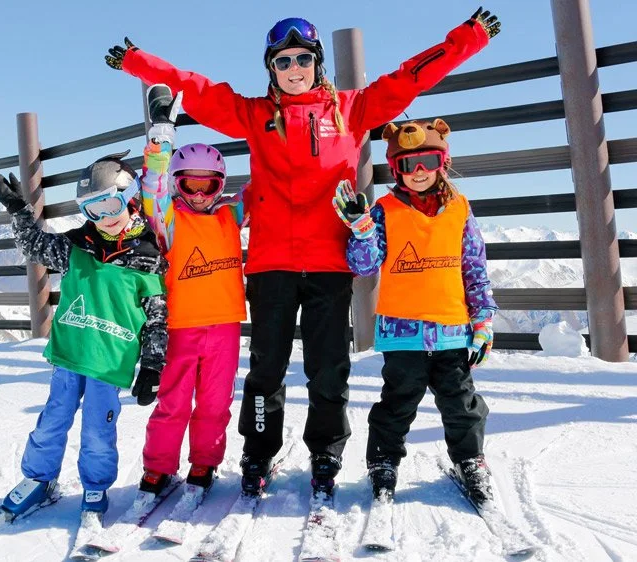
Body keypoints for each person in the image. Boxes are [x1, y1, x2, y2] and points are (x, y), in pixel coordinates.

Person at [105, 7, 501, 496]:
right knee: (266, 368)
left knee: (327, 368)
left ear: (318, 63)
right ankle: (258, 452)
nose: (295, 69)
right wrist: (140, 63)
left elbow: (409, 79)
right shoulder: (255, 115)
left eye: (303, 59)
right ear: (271, 68)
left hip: (331, 263)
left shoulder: (351, 110)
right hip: (272, 264)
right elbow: (199, 89)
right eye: (283, 61)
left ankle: (326, 452)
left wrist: (469, 38)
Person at [0, 152, 168, 525]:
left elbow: (156, 319)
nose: (103, 217)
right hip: (69, 355)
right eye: (92, 209)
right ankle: (39, 479)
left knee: (98, 429)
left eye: (109, 204)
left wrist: (152, 365)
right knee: (53, 418)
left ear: (130, 197)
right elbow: (35, 247)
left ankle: (96, 486)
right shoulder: (77, 246)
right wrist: (19, 210)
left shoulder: (148, 258)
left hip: (109, 363)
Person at [332, 118, 498, 504]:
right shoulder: (384, 211)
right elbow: (364, 265)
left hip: (453, 329)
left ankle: (470, 459)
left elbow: (473, 266)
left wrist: (483, 320)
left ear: (442, 161)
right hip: (402, 331)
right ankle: (383, 462)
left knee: (461, 402)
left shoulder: (459, 209)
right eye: (408, 164)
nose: (418, 172)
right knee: (398, 400)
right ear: (396, 169)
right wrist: (360, 229)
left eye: (427, 161)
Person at [136, 84, 248, 497]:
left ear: (220, 185)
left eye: (208, 186)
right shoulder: (167, 219)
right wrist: (160, 141)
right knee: (174, 403)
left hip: (224, 327)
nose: (199, 195)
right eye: (189, 186)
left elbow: (270, 185)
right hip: (181, 327)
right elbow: (152, 190)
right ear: (177, 185)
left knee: (215, 404)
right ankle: (158, 468)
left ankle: (205, 464)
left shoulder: (231, 215)